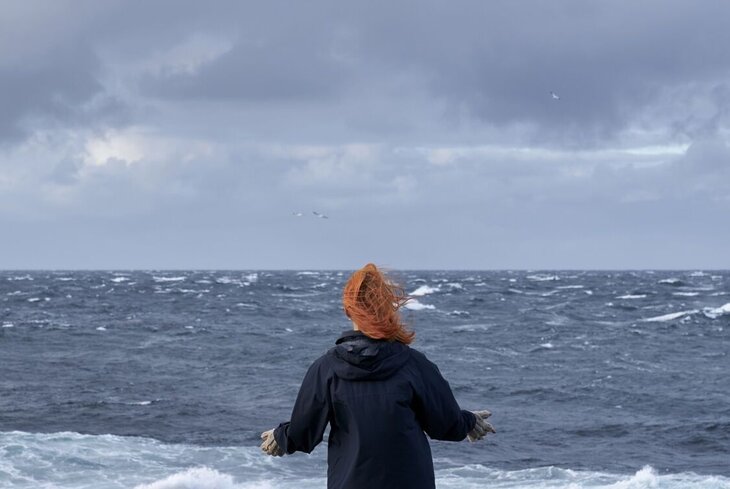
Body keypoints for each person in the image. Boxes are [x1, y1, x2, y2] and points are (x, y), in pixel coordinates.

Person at [260, 263, 494, 489]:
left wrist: (281, 437)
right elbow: (446, 425)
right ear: (388, 309)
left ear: (347, 309)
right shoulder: (413, 364)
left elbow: (304, 434)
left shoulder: (326, 368)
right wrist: (469, 422)